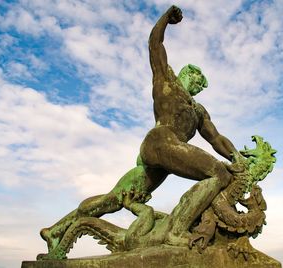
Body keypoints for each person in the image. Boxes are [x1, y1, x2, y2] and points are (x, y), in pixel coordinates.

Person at [39, 5, 240, 253]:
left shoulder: (199, 111)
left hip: (162, 159)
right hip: (161, 141)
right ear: (186, 74)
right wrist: (166, 19)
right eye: (197, 80)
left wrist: (236, 156)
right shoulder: (167, 81)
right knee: (219, 174)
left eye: (201, 85)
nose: (198, 87)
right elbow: (155, 45)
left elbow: (216, 138)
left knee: (113, 199)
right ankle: (177, 233)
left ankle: (56, 230)